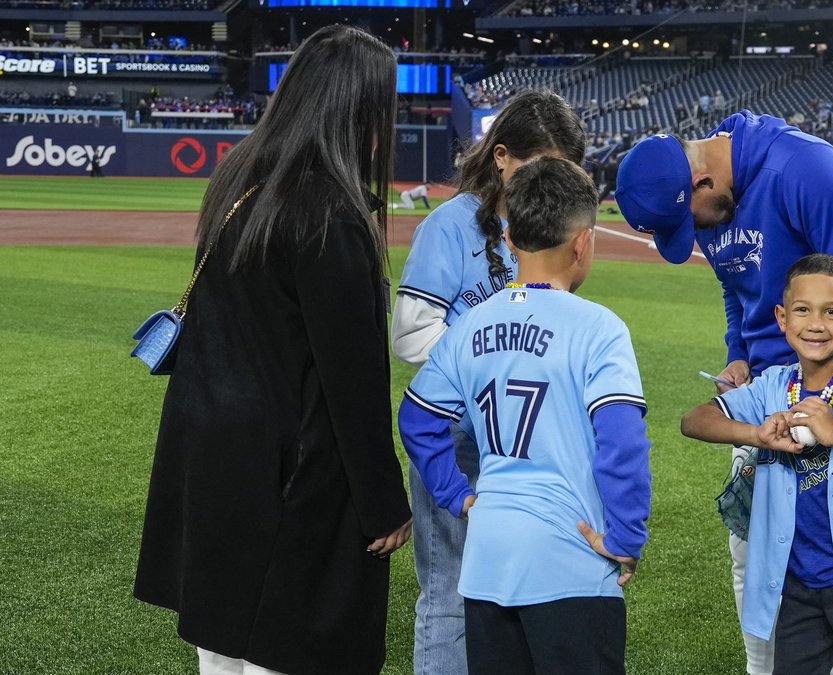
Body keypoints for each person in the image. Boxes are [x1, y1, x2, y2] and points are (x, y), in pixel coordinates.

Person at [133, 25, 412, 675]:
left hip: (215, 464)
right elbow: (353, 379)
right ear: (358, 111)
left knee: (224, 655)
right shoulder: (328, 213)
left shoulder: (239, 180)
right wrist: (382, 503)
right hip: (288, 482)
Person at [615, 112, 833, 675]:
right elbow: (737, 286)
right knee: (756, 545)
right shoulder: (706, 200)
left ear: (701, 181)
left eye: (687, 221)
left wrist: (816, 395)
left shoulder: (806, 169)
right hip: (769, 390)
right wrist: (740, 353)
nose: (694, 233)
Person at [399, 156, 652, 674]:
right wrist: (626, 539)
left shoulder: (470, 326)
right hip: (570, 560)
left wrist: (457, 496)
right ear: (583, 243)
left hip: (487, 559)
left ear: (510, 241)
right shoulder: (600, 328)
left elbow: (418, 420)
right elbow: (623, 443)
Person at [391, 88, 586, 675]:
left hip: (527, 440)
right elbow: (408, 336)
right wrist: (489, 364)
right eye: (538, 165)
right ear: (501, 156)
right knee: (450, 596)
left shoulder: (549, 228)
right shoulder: (448, 227)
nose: (546, 180)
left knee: (526, 592)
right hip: (457, 442)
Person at [681, 253, 833, 675]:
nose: (816, 324)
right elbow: (695, 421)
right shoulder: (773, 387)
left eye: (832, 312)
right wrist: (756, 434)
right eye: (802, 310)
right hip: (798, 585)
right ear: (782, 317)